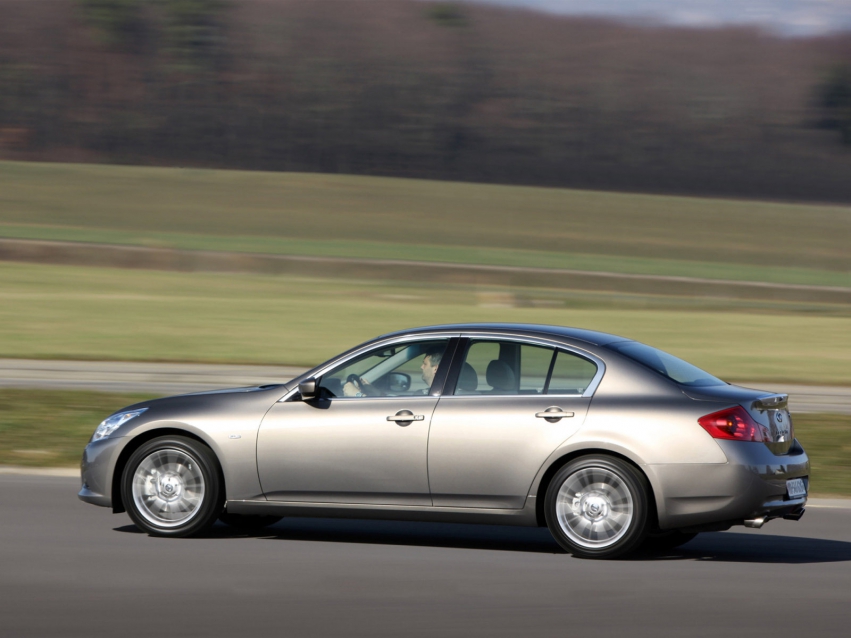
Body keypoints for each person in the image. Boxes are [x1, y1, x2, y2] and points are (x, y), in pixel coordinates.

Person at [343, 346, 444, 397]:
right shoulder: (430, 393)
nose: (421, 367)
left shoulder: (429, 397)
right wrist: (375, 391)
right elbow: (398, 404)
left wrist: (357, 394)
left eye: (425, 364)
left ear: (435, 369)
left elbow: (389, 411)